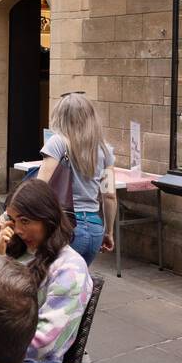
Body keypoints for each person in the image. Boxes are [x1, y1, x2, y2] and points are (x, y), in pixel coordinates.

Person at [0, 178, 93, 363]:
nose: (18, 230)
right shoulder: (15, 250)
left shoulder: (70, 269)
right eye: (12, 220)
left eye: (25, 221)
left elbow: (43, 345)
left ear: (48, 219)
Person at [38, 92, 116, 266]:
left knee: (52, 284)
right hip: (95, 231)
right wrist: (108, 232)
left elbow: (39, 186)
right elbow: (109, 195)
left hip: (68, 227)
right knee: (76, 285)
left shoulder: (58, 142)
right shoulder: (105, 150)